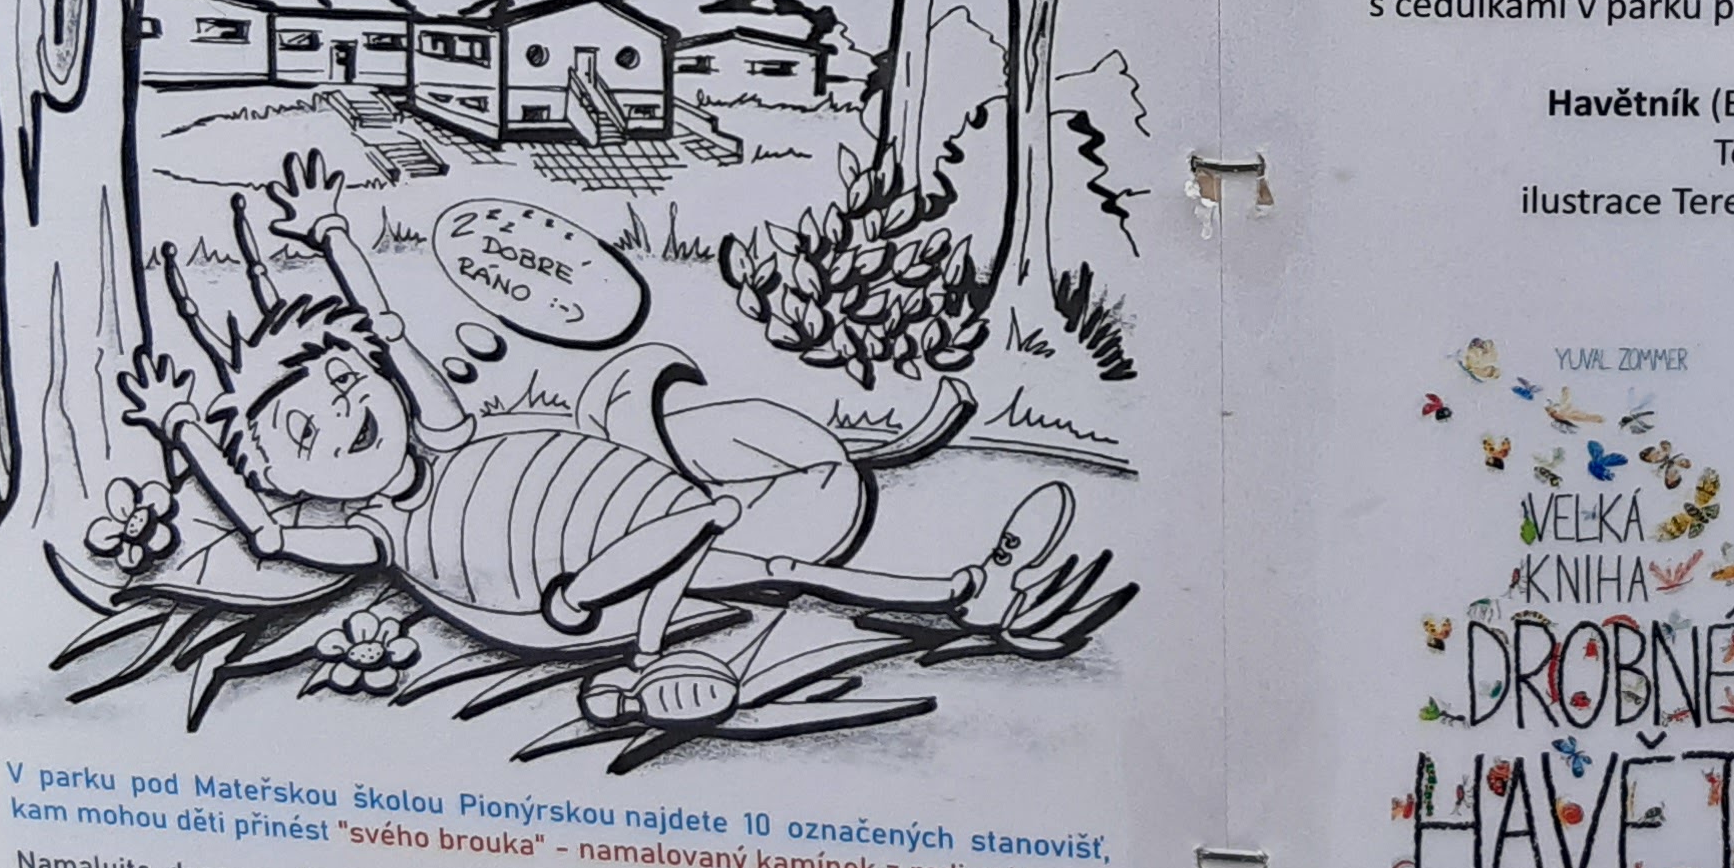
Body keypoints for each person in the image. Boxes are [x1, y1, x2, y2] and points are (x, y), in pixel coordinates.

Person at [115, 152, 1073, 727]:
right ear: (277, 471)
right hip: (573, 586)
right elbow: (269, 536)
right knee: (740, 559)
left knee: (778, 563)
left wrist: (334, 236)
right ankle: (667, 653)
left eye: (339, 375)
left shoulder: (441, 424)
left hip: (641, 499)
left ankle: (961, 592)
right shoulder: (377, 535)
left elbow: (393, 332)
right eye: (301, 425)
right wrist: (185, 429)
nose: (341, 404)